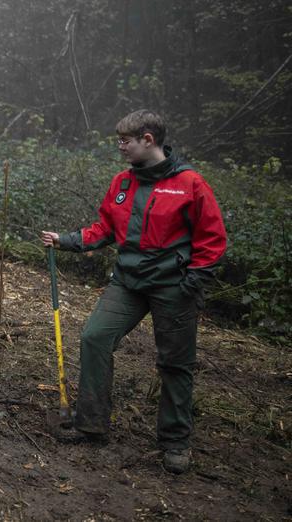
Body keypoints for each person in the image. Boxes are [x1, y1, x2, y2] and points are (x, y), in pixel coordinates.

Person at [40, 110, 226, 474]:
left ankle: (175, 442)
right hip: (128, 281)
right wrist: (66, 241)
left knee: (175, 363)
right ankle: (90, 424)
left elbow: (213, 239)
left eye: (125, 141)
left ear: (148, 140)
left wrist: (193, 281)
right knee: (95, 337)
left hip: (174, 286)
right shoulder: (122, 183)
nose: (120, 147)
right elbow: (104, 228)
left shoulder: (190, 183)